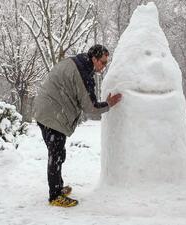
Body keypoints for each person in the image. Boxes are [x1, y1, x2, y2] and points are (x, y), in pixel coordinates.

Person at [34, 44, 122, 208]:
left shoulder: (78, 62)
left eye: (106, 64)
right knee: (56, 154)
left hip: (45, 110)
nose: (104, 67)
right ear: (94, 59)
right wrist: (108, 104)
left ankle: (57, 188)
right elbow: (91, 108)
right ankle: (55, 196)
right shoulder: (83, 74)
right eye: (102, 63)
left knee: (58, 153)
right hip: (52, 114)